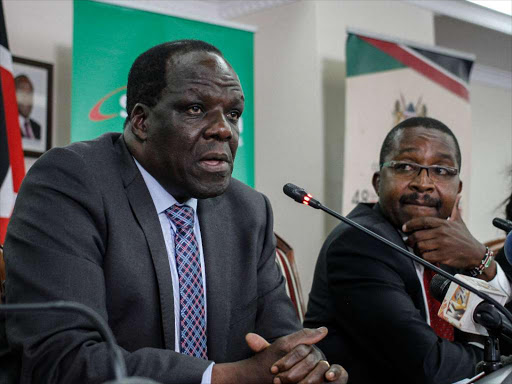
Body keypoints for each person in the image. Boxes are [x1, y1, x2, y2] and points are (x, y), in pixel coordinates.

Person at [1, 40, 348, 384]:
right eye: (196, 109)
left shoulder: (248, 210)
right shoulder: (70, 182)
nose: (223, 129)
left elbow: (281, 343)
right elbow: (61, 359)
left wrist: (304, 366)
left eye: (233, 114)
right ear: (141, 121)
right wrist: (225, 377)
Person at [304, 117, 512, 384]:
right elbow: (429, 366)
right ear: (378, 182)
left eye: (441, 171)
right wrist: (494, 359)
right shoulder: (359, 244)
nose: (423, 183)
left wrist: (482, 260)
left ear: (458, 189)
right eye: (405, 166)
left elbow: (500, 330)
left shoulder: (448, 244)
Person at [15, 74, 42, 140]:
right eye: (23, 94)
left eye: (29, 94)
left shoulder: (37, 127)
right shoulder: (6, 126)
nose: (27, 99)